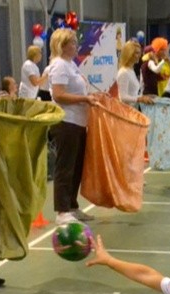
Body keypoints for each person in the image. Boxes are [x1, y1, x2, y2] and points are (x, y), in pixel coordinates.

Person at [48, 27, 100, 225]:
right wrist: (84, 99)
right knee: (65, 166)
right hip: (65, 122)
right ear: (62, 45)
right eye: (72, 43)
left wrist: (89, 97)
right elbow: (58, 95)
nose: (76, 46)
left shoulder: (71, 65)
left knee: (77, 166)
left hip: (78, 122)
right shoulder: (60, 65)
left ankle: (71, 205)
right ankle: (62, 211)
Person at [116, 40, 153, 105]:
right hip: (126, 111)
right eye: (137, 53)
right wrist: (140, 99)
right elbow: (123, 97)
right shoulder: (124, 72)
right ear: (129, 54)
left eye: (139, 53)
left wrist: (143, 97)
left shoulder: (130, 70)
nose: (139, 55)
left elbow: (133, 94)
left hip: (133, 110)